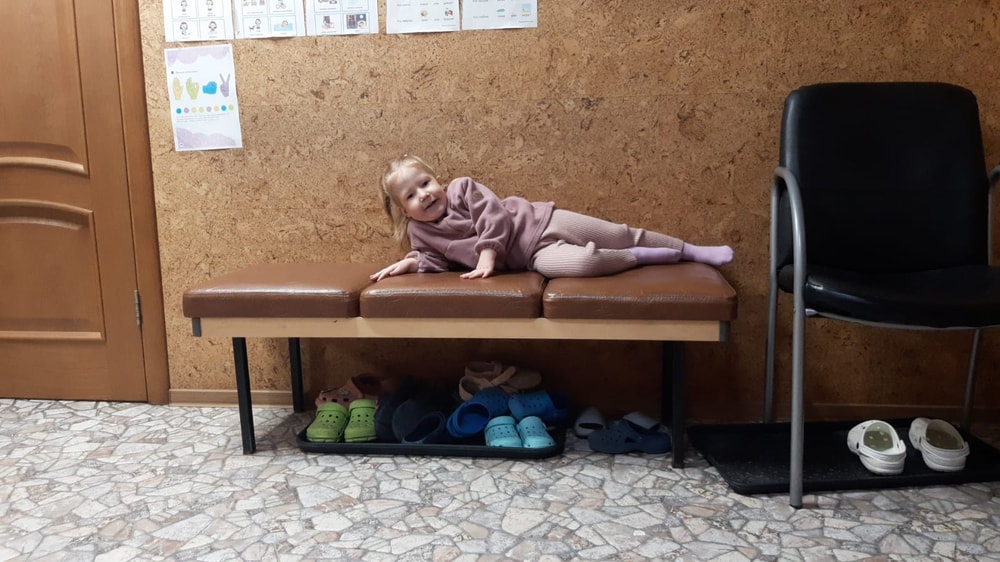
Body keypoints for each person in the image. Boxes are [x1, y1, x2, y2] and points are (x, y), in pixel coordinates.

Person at [371, 155, 733, 282]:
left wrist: (487, 256)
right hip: (532, 257)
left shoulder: (463, 188)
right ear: (404, 210)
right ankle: (639, 257)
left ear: (438, 180)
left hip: (540, 223)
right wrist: (412, 263)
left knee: (618, 232)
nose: (424, 194)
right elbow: (434, 260)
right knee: (585, 263)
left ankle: (689, 250)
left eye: (425, 183)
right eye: (411, 195)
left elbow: (494, 218)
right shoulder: (421, 233)